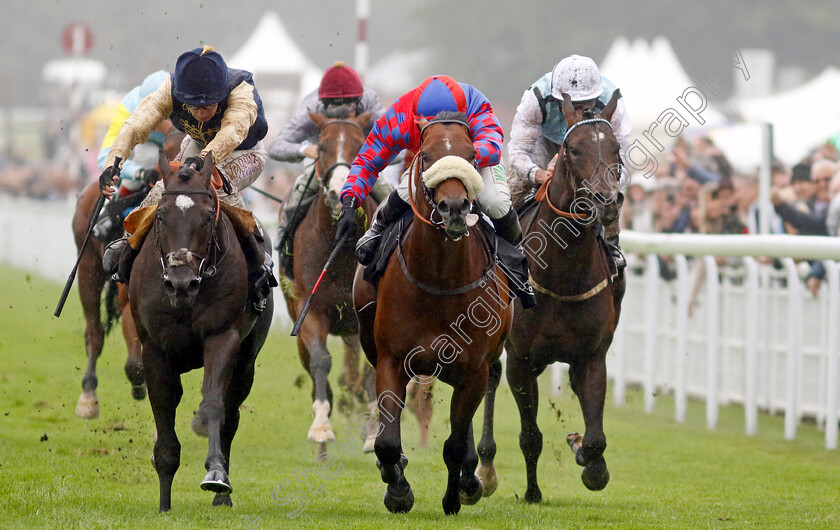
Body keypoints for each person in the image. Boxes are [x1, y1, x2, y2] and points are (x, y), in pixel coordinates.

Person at [99, 46, 276, 311]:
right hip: (197, 145)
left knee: (213, 184)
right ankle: (128, 241)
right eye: (196, 106)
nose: (204, 112)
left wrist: (202, 160)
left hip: (244, 150)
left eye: (210, 104)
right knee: (166, 188)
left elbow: (233, 132)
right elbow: (137, 123)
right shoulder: (172, 87)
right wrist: (115, 160)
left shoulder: (241, 89)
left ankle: (260, 261)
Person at [334, 74, 535, 306]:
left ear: (463, 114)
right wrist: (350, 201)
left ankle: (519, 264)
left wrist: (459, 157)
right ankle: (377, 231)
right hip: (429, 160)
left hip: (474, 159)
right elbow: (368, 160)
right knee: (402, 193)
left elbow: (492, 144)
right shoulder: (401, 116)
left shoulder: (474, 103)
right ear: (418, 120)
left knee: (495, 201)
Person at [268, 61, 394, 278]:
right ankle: (286, 244)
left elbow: (396, 147)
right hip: (324, 158)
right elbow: (276, 147)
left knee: (389, 195)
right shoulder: (311, 104)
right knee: (297, 194)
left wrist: (367, 156)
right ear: (322, 104)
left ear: (359, 101)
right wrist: (305, 150)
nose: (341, 113)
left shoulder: (371, 102)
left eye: (347, 106)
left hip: (360, 160)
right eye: (333, 108)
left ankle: (397, 246)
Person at [506, 54, 632, 270]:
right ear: (558, 98)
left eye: (586, 104)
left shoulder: (611, 100)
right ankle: (504, 250)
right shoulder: (536, 97)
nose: (580, 111)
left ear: (597, 97)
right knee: (512, 190)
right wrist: (539, 174)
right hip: (543, 145)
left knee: (609, 191)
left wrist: (607, 184)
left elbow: (622, 155)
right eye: (574, 105)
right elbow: (518, 151)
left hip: (591, 149)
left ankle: (612, 248)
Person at [92, 70, 173, 242]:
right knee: (148, 154)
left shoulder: (184, 103)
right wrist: (139, 172)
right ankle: (113, 212)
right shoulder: (128, 107)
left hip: (172, 150)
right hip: (143, 153)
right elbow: (105, 157)